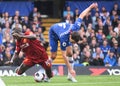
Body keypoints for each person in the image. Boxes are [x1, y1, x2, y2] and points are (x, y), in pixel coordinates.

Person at [49, 3, 98, 82]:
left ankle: (70, 76)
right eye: (73, 42)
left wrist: (90, 7)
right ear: (70, 37)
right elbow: (64, 56)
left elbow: (82, 15)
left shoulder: (76, 27)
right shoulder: (64, 37)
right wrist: (71, 69)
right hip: (53, 33)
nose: (74, 43)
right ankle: (45, 73)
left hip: (62, 30)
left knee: (70, 53)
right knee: (53, 56)